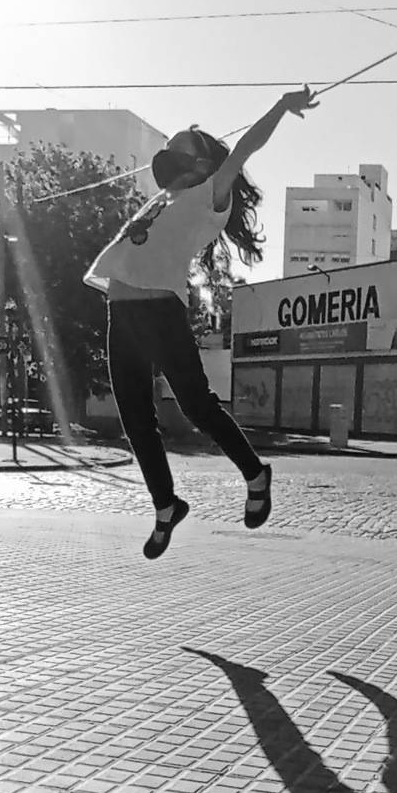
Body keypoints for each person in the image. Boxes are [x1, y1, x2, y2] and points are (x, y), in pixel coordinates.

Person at [84, 85, 319, 559]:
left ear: (202, 162)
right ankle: (166, 506)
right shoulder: (164, 200)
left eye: (177, 148)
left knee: (196, 405)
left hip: (160, 312)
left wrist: (281, 107)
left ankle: (255, 474)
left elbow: (247, 146)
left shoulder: (210, 193)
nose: (166, 155)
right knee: (135, 418)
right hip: (121, 314)